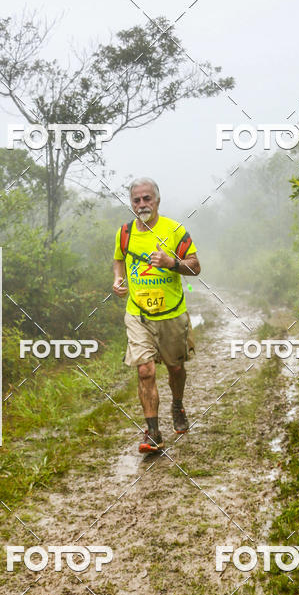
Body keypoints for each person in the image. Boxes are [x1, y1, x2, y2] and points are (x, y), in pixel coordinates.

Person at [113, 177, 201, 453]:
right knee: (145, 370)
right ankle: (153, 433)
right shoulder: (125, 232)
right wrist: (118, 280)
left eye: (147, 198)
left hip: (172, 313)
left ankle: (177, 404)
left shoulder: (175, 230)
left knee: (175, 369)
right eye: (137, 200)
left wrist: (171, 262)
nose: (142, 204)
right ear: (131, 203)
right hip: (138, 314)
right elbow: (119, 259)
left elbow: (196, 267)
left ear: (157, 200)